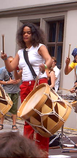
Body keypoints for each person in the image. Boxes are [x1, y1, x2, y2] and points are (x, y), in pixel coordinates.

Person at [1, 22, 52, 153]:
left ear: (34, 34)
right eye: (24, 33)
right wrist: (6, 59)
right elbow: (11, 68)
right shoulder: (20, 52)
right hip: (25, 85)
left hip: (39, 83)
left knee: (40, 118)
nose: (26, 34)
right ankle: (27, 150)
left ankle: (42, 151)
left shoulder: (40, 47)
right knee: (27, 118)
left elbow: (49, 60)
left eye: (29, 32)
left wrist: (45, 67)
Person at [0, 56, 21, 131]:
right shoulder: (4, 70)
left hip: (15, 91)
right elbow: (0, 80)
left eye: (13, 61)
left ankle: (14, 124)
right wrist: (8, 82)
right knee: (4, 108)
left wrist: (18, 81)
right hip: (7, 91)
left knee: (14, 109)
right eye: (10, 62)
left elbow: (19, 77)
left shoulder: (16, 70)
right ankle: (1, 123)